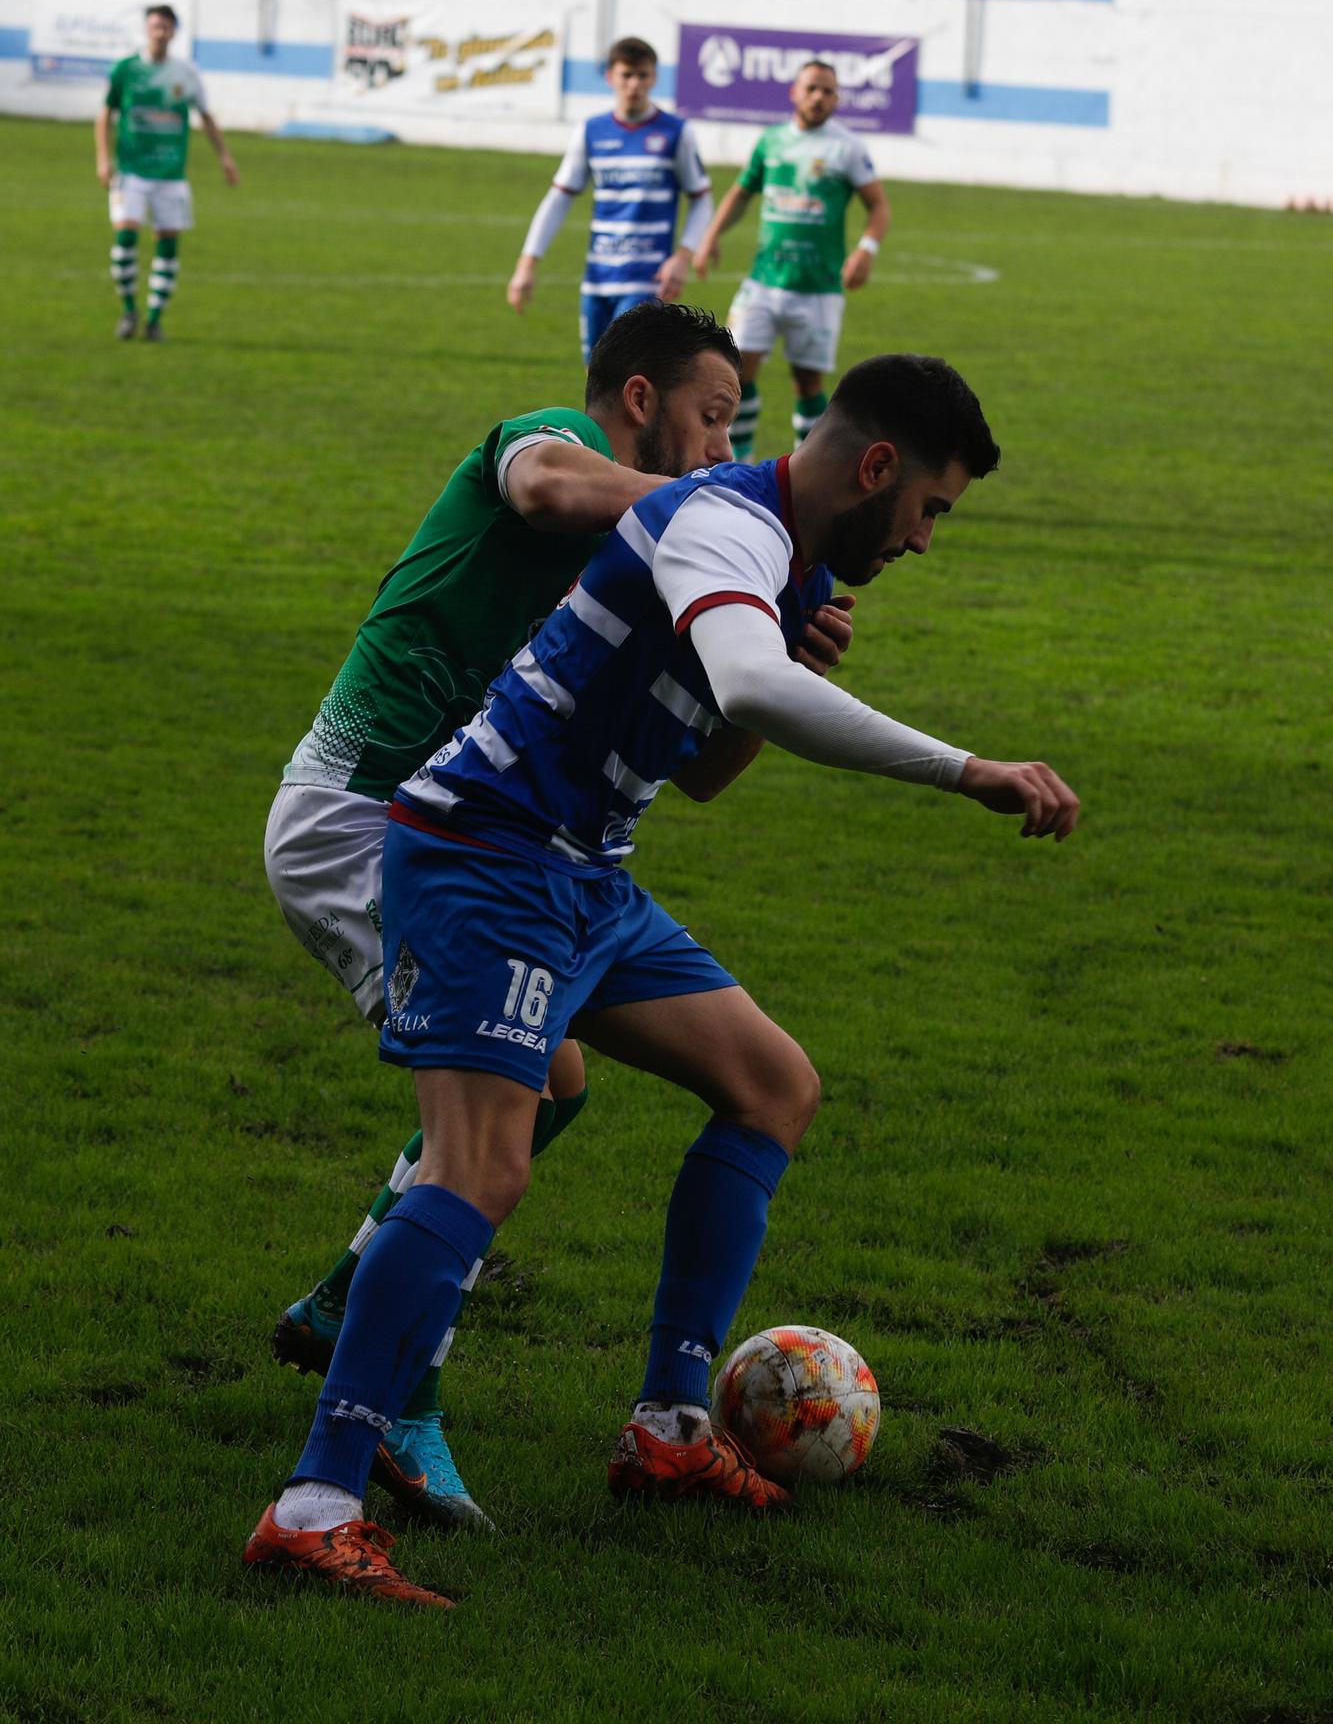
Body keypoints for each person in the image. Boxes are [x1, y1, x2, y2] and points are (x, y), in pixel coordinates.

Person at [244, 351, 1079, 1607]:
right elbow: (747, 682)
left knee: (771, 1085)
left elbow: (706, 760)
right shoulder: (721, 521)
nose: (922, 539)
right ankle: (315, 1502)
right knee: (484, 1163)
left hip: (581, 872)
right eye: (930, 508)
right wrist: (968, 766)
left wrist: (791, 646)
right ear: (876, 468)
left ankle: (670, 1427)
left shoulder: (777, 560)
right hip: (484, 856)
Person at [262, 301, 852, 1537]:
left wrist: (781, 647)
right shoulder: (550, 443)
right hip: (361, 818)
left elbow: (702, 768)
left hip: (503, 847)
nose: (716, 448)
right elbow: (537, 490)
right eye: (707, 418)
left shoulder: (673, 554)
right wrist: (722, 519)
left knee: (595, 1085)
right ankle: (390, 1408)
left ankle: (352, 1313)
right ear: (638, 401)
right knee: (524, 1099)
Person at [694, 59, 890, 461]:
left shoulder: (847, 148)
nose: (819, 97)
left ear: (837, 98)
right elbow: (741, 192)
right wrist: (710, 236)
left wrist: (866, 250)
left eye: (828, 91)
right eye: (812, 88)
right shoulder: (771, 142)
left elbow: (879, 207)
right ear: (794, 93)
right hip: (763, 283)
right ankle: (739, 462)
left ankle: (806, 468)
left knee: (807, 384)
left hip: (817, 289)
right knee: (736, 374)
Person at [507, 36, 714, 362]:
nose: (634, 84)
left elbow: (702, 199)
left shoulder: (676, 132)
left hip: (647, 280)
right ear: (610, 77)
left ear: (654, 78)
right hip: (598, 280)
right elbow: (559, 199)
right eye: (626, 75)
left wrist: (683, 256)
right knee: (597, 382)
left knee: (628, 377)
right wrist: (527, 264)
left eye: (643, 75)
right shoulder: (591, 131)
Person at [93, 4, 238, 342]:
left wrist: (225, 158)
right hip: (131, 171)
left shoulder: (185, 73)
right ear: (146, 29)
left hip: (171, 175)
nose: (160, 32)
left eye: (166, 27)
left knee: (168, 246)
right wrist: (103, 160)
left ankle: (155, 320)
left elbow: (206, 116)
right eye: (155, 26)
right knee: (125, 239)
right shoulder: (126, 70)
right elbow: (105, 115)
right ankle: (129, 310)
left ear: (174, 32)